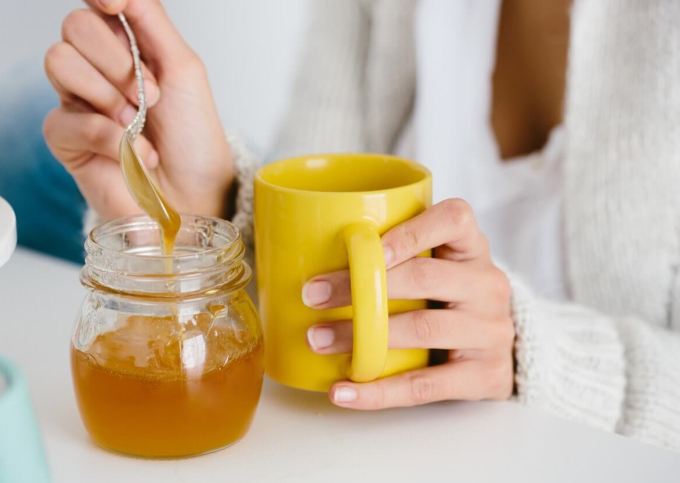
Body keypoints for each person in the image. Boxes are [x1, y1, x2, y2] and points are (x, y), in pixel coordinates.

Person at [42, 0, 680, 451]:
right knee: (30, 116)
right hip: (335, 437)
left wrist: (535, 355)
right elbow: (307, 226)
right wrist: (212, 206)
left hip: (575, 448)